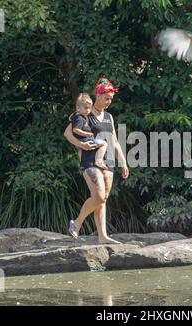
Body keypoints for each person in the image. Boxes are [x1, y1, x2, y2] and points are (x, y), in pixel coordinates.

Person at [64, 77, 129, 244]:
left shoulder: (108, 117)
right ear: (98, 96)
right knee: (99, 196)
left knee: (102, 199)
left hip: (108, 162)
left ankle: (102, 237)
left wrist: (123, 162)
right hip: (90, 162)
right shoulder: (85, 113)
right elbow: (68, 133)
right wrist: (80, 144)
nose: (109, 102)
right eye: (107, 98)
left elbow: (113, 141)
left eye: (111, 99)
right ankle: (77, 223)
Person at [71, 93, 108, 170]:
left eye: (89, 108)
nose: (88, 110)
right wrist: (86, 134)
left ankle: (90, 163)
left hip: (84, 140)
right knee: (104, 144)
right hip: (86, 140)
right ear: (78, 108)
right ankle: (99, 160)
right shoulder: (79, 118)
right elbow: (75, 130)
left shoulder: (77, 116)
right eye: (85, 108)